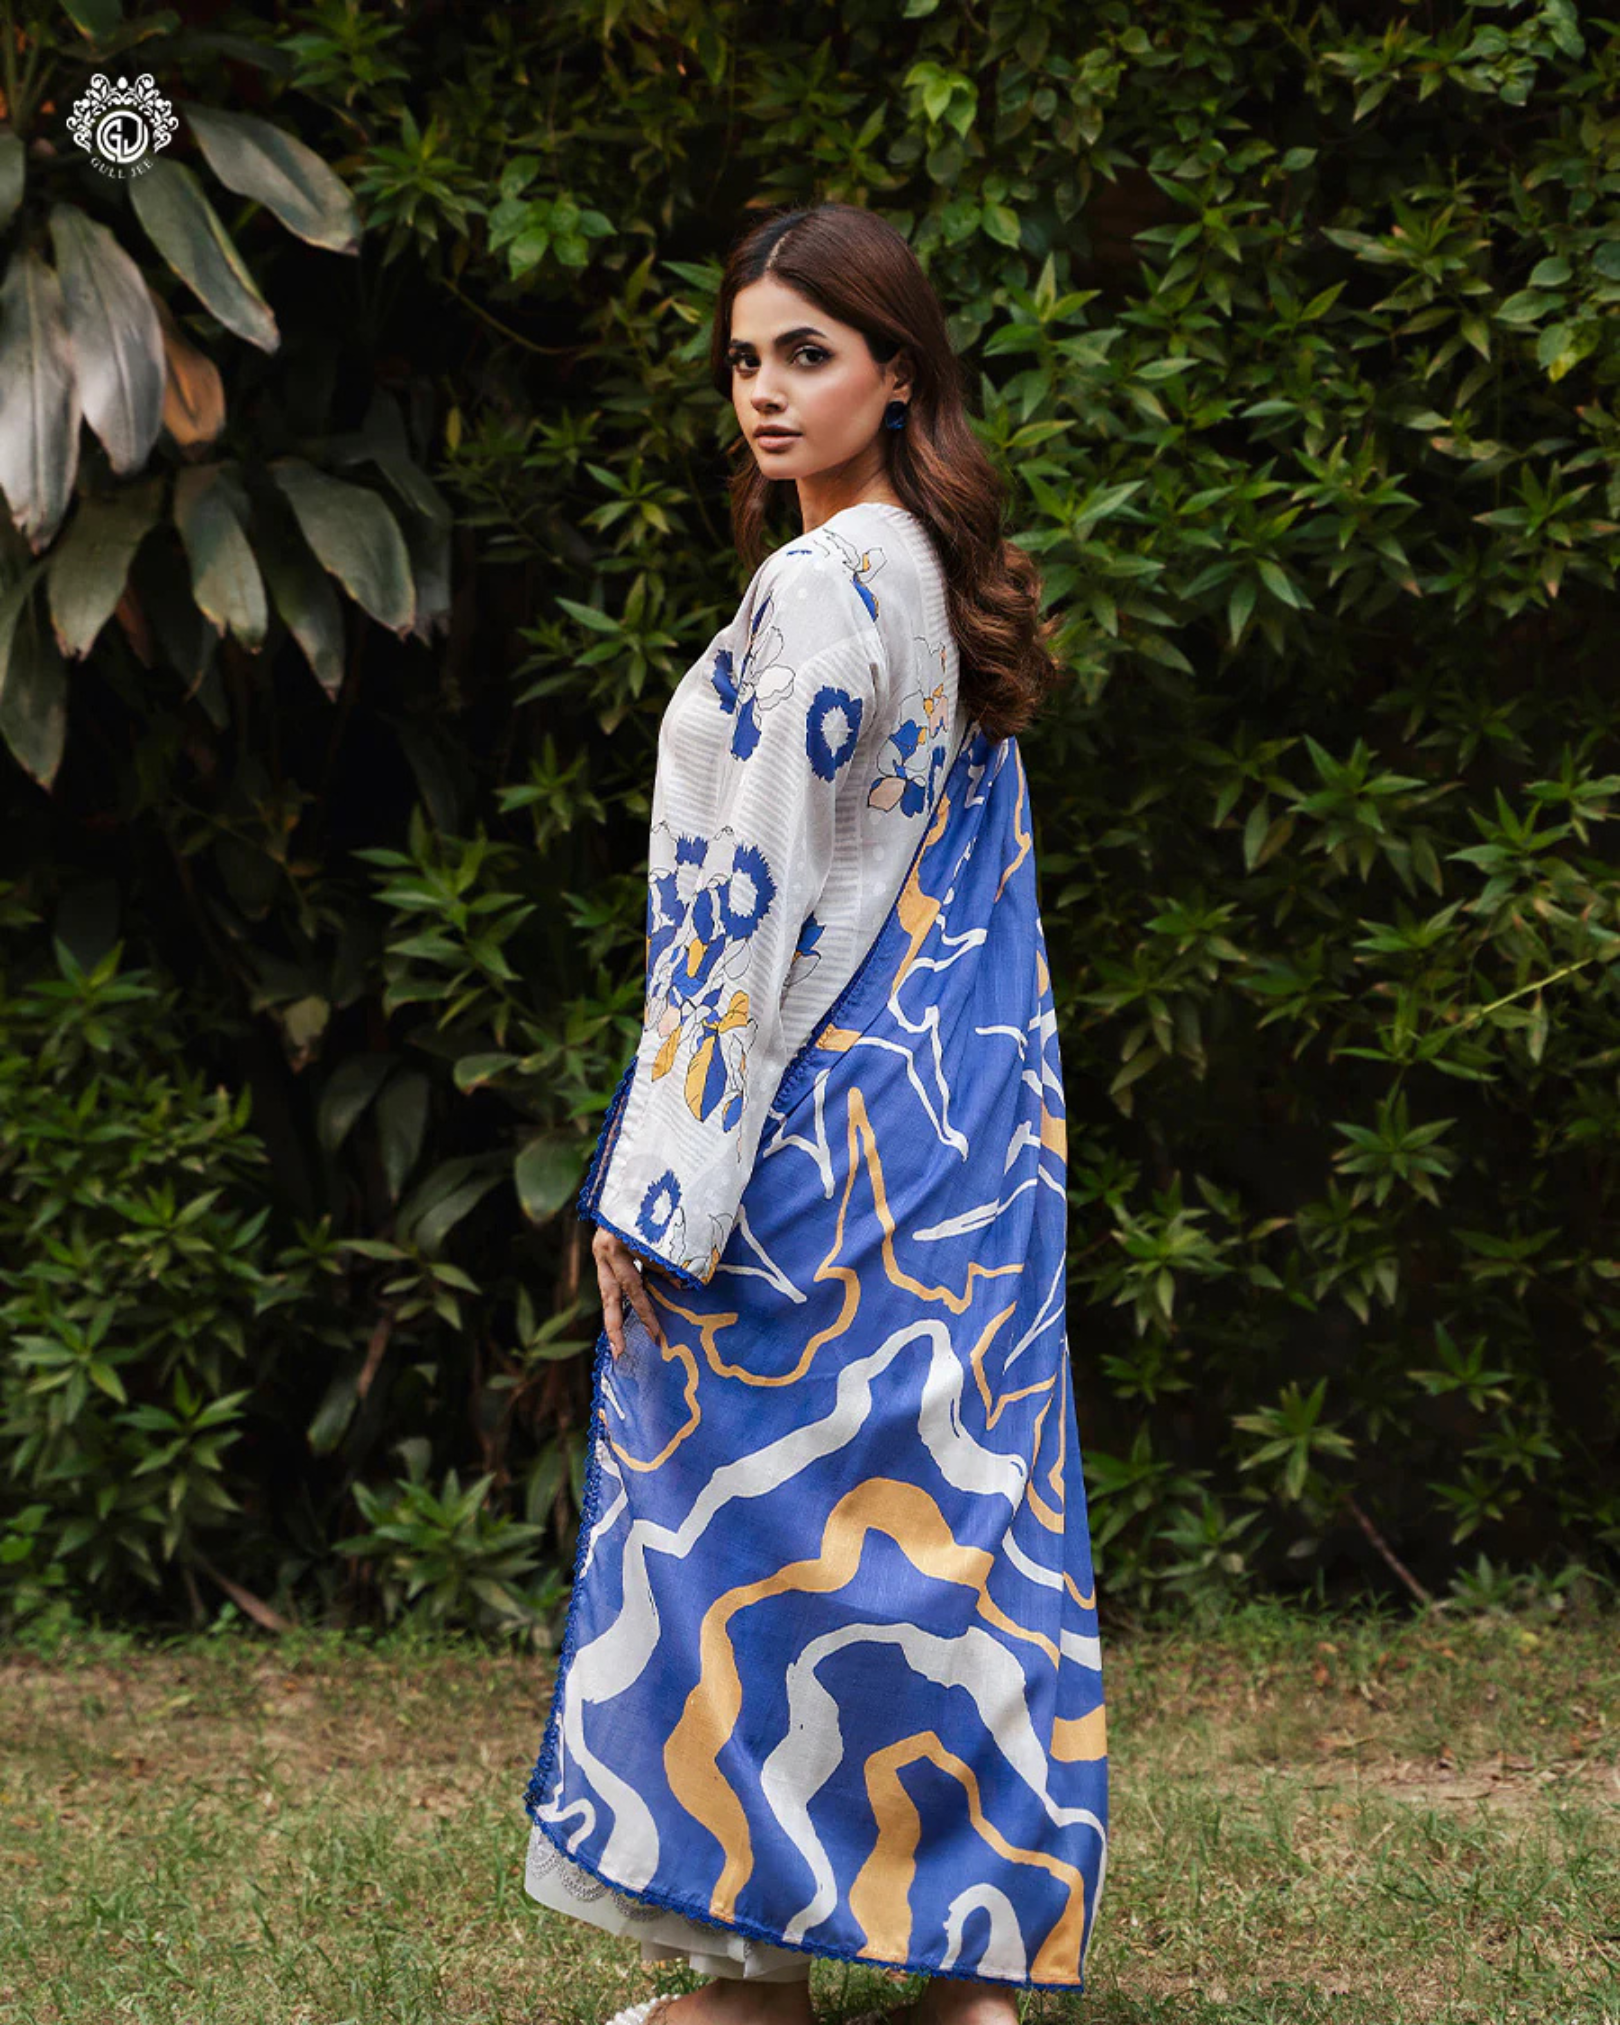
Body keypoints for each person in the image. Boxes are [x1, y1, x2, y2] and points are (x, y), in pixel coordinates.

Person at [521, 201, 1108, 2025]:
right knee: (954, 1539)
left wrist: (656, 1186)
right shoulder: (938, 572)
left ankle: (752, 1986)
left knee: (739, 1533)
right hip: (959, 1138)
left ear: (893, 374)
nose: (765, 394)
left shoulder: (824, 584)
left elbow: (746, 914)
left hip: (808, 1146)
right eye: (745, 360)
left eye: (808, 355)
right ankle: (968, 1982)